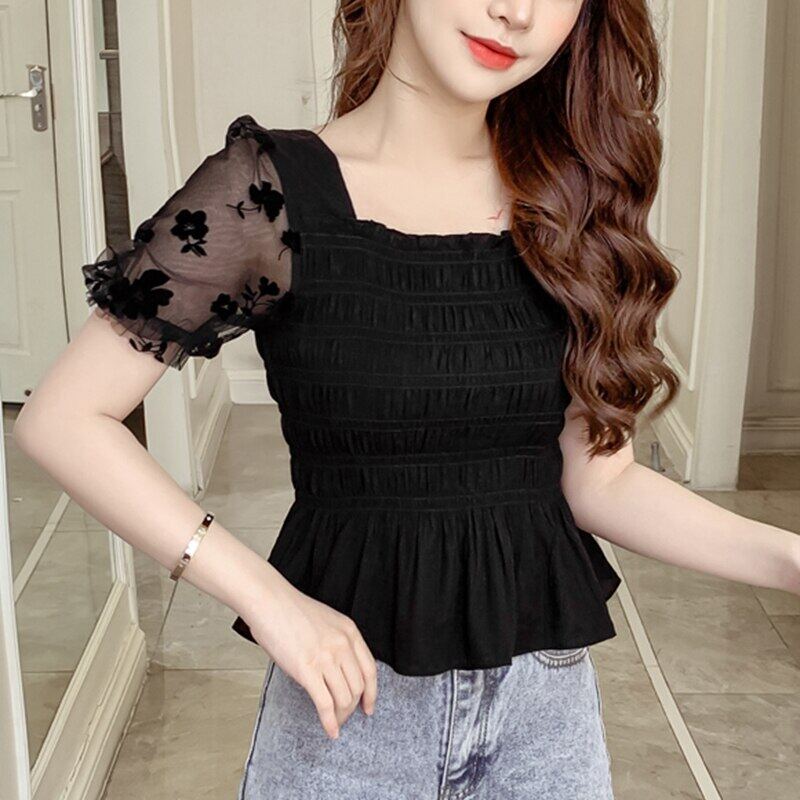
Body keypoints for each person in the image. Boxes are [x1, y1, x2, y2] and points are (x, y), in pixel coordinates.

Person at [14, 1, 800, 798]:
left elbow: (602, 483)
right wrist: (268, 597)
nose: (516, 12)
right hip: (350, 725)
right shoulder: (266, 194)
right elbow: (66, 419)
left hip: (544, 721)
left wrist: (789, 557)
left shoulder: (572, 200)